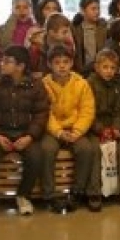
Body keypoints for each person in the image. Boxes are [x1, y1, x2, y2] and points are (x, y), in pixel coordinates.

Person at [0, 45, 51, 216]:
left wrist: (30, 136)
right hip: (0, 132)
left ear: (21, 66)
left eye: (7, 61)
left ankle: (23, 196)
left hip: (26, 133)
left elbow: (41, 114)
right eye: (2, 60)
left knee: (35, 157)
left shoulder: (36, 85)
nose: (2, 64)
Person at [38, 44, 98, 213]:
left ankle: (77, 192)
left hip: (75, 129)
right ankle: (49, 195)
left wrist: (77, 131)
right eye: (57, 63)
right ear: (50, 64)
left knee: (86, 149)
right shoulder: (43, 85)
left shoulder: (81, 84)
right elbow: (45, 112)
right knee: (46, 149)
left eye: (66, 62)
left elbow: (87, 110)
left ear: (71, 63)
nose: (62, 66)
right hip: (53, 130)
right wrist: (58, 132)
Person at [85, 48, 120, 211]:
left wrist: (117, 128)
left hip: (114, 127)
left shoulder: (119, 84)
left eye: (112, 68)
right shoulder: (89, 84)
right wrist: (100, 130)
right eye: (105, 67)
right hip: (94, 129)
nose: (109, 71)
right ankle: (94, 192)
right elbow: (88, 111)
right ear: (97, 67)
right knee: (95, 151)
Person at [71, 0, 108, 75]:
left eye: (98, 8)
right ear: (82, 11)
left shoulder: (104, 28)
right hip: (80, 71)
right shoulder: (74, 29)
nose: (97, 12)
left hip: (100, 70)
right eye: (93, 9)